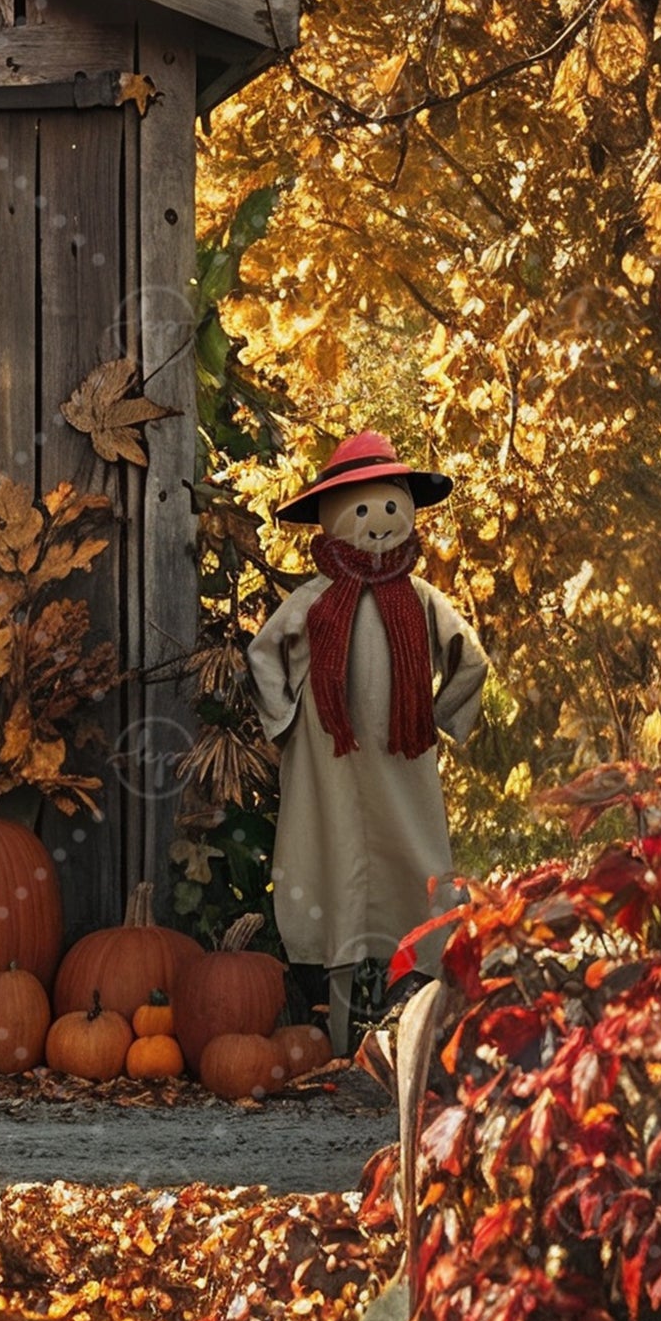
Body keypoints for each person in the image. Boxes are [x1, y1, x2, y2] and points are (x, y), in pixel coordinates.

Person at [249, 430, 489, 1038]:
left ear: (407, 509)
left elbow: (470, 657)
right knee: (329, 860)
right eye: (360, 510)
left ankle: (417, 1009)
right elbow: (264, 655)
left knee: (414, 862)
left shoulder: (422, 598)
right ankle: (336, 1022)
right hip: (328, 756)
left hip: (403, 757)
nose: (377, 522)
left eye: (387, 506)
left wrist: (439, 714)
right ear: (332, 519)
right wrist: (286, 723)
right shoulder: (313, 601)